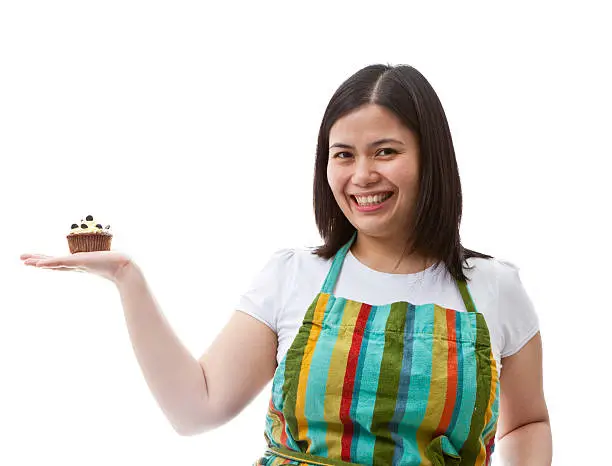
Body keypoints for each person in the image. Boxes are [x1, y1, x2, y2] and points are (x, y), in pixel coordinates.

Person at [20, 63, 552, 465]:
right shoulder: (293, 276)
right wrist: (126, 280)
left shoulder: (495, 287)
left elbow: (526, 421)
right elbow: (195, 409)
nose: (361, 174)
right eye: (343, 154)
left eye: (385, 151)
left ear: (431, 157)